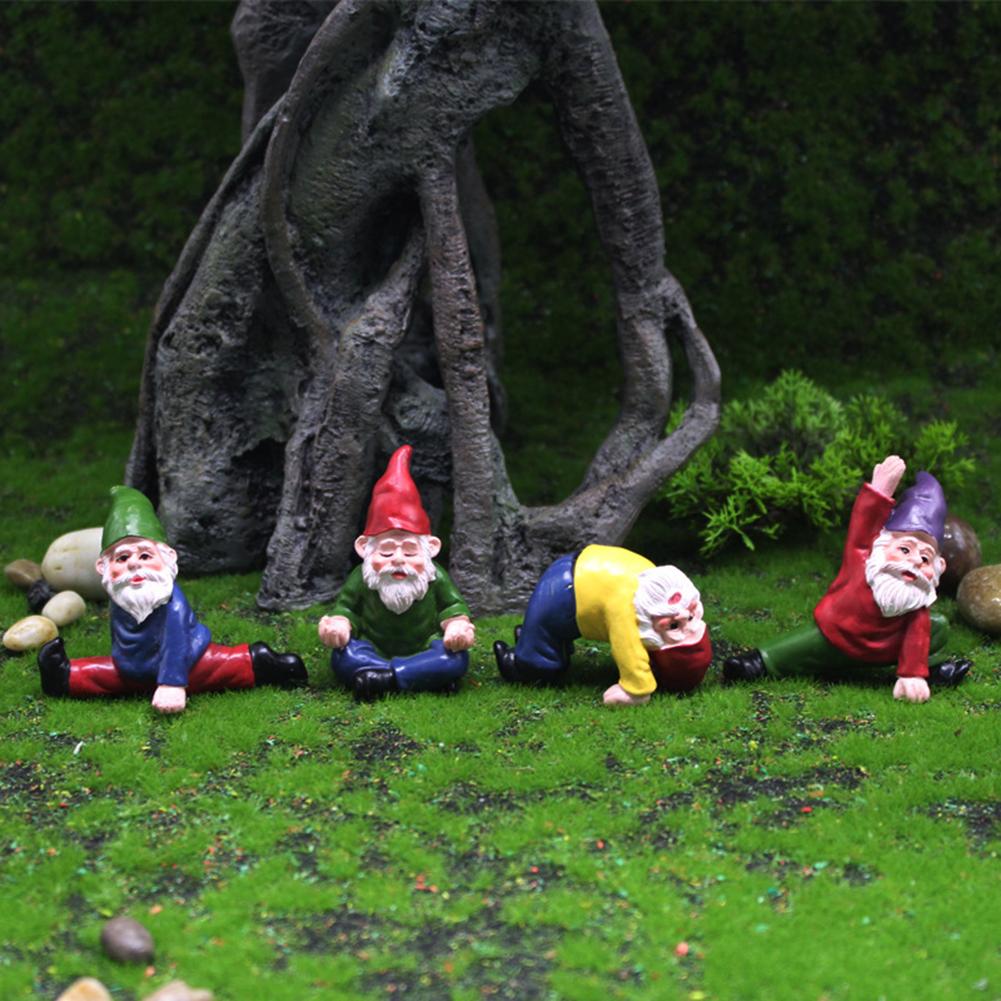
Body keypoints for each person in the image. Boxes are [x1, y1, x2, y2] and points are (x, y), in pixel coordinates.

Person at [723, 455, 972, 702]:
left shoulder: (914, 603)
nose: (915, 561)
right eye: (905, 550)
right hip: (834, 634)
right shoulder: (862, 559)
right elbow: (863, 525)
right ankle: (755, 664)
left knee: (935, 628)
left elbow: (916, 635)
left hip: (881, 648)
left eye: (925, 558)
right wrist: (879, 491)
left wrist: (912, 675)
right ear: (881, 545)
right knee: (790, 652)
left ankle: (930, 673)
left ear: (939, 566)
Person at [37, 486, 307, 713]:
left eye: (145, 556)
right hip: (133, 666)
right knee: (104, 674)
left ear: (167, 558)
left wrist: (172, 684)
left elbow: (177, 642)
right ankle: (63, 676)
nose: (134, 565)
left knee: (221, 666)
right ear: (103, 567)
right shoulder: (122, 595)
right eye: (123, 558)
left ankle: (260, 661)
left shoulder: (170, 604)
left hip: (189, 661)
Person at [318, 445, 475, 700]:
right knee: (344, 656)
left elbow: (452, 608)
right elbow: (346, 609)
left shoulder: (435, 577)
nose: (399, 560)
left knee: (455, 659)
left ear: (431, 548)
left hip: (425, 646)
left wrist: (456, 627)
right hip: (373, 648)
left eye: (410, 552)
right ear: (364, 548)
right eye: (387, 552)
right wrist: (338, 625)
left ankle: (383, 678)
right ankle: (419, 675)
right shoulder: (361, 578)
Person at [493, 545, 712, 705]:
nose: (688, 622)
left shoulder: (655, 589)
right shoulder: (631, 606)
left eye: (690, 618)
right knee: (540, 650)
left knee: (542, 630)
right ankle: (527, 663)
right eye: (673, 625)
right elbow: (628, 648)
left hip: (577, 571)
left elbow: (633, 646)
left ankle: (535, 642)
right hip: (566, 590)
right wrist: (638, 688)